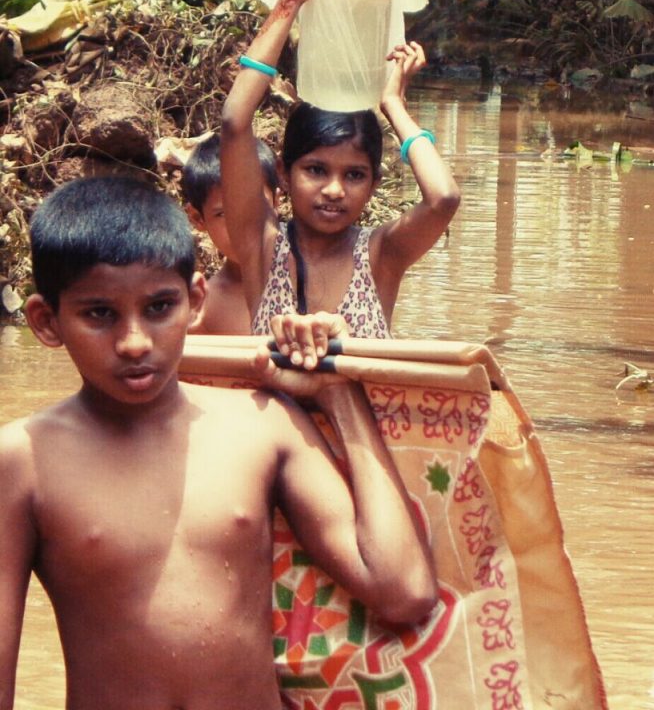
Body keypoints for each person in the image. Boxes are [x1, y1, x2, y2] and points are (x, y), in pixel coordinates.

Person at [0, 175, 438, 710]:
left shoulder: (261, 424)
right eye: (99, 314)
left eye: (160, 307)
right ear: (47, 322)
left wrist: (338, 397)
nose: (135, 342)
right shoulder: (22, 461)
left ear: (195, 299)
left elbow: (402, 591)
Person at [220, 0, 461, 340]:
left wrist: (393, 103)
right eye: (316, 169)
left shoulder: (382, 253)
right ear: (283, 172)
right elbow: (234, 123)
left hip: (356, 406)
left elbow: (444, 199)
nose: (334, 190)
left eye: (354, 175)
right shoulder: (261, 245)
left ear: (373, 185)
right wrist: (289, 2)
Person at [182, 132, 279, 334]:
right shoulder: (205, 310)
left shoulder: (317, 273)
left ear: (277, 202)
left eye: (255, 204)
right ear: (197, 218)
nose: (243, 224)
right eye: (223, 213)